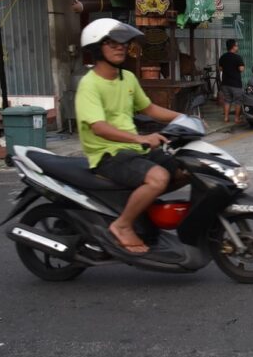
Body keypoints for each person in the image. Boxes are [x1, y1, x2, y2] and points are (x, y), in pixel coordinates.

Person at [74, 18, 183, 254]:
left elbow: (149, 109)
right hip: (107, 155)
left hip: (132, 151)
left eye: (122, 42)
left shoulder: (127, 78)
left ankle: (142, 210)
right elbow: (99, 127)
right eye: (111, 43)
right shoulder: (89, 85)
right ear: (96, 48)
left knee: (187, 167)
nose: (120, 47)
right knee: (158, 178)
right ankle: (122, 225)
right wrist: (139, 138)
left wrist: (183, 118)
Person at [218, 38, 245, 123]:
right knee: (238, 101)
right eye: (236, 45)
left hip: (225, 83)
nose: (237, 47)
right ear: (233, 47)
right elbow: (241, 69)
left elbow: (220, 68)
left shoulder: (223, 57)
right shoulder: (237, 57)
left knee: (227, 100)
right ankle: (236, 118)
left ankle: (226, 118)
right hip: (235, 84)